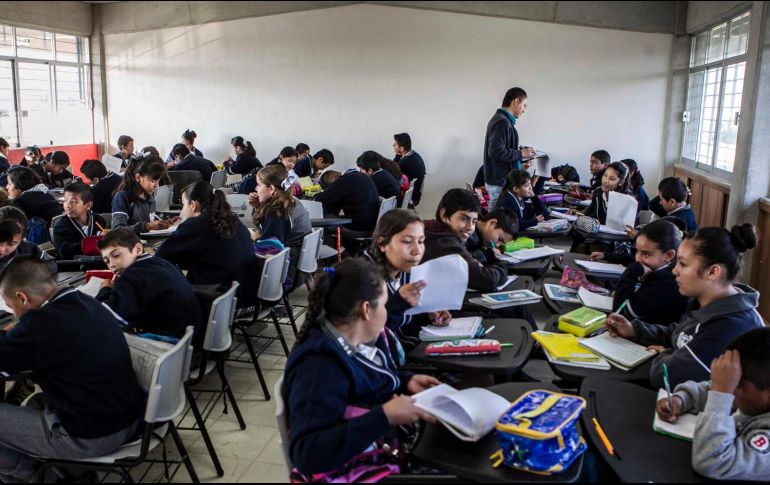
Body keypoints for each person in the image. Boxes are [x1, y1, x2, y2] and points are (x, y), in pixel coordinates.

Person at [284, 258, 439, 479]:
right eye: (385, 305)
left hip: (382, 447)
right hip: (360, 467)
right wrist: (384, 416)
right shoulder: (319, 366)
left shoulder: (350, 342)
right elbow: (307, 453)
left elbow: (364, 380)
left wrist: (407, 381)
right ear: (366, 310)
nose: (388, 312)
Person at [0, 256, 145, 483]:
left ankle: (41, 477)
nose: (14, 313)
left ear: (22, 297)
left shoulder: (39, 326)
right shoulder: (86, 302)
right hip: (131, 419)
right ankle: (70, 472)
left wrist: (16, 333)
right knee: (35, 402)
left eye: (11, 307)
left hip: (94, 436)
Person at [605, 224, 764, 389]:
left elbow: (665, 376)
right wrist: (634, 330)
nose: (674, 271)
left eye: (683, 264)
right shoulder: (704, 301)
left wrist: (669, 353)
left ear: (712, 272)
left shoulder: (730, 326)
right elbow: (679, 334)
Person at [656, 328, 770, 481]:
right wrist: (682, 399)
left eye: (737, 385)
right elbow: (714, 387)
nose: (731, 391)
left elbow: (712, 461)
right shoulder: (755, 396)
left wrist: (723, 394)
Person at [155, 181, 261, 308]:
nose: (181, 211)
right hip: (247, 298)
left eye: (183, 205)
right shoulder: (233, 220)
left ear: (193, 205)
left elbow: (160, 257)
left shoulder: (194, 225)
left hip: (220, 304)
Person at [364, 209, 451, 348]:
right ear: (382, 243)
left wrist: (427, 314)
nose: (417, 250)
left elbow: (405, 321)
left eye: (421, 241)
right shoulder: (365, 279)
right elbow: (367, 335)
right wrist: (398, 303)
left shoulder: (404, 269)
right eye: (407, 241)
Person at [96, 228, 201, 341]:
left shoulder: (135, 273)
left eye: (116, 255)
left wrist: (105, 289)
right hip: (186, 341)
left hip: (167, 344)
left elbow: (106, 318)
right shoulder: (160, 263)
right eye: (106, 261)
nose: (112, 265)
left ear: (138, 249)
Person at [422, 189, 508, 292]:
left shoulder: (434, 228)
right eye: (464, 219)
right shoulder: (445, 242)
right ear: (444, 215)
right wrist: (502, 266)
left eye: (474, 221)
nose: (470, 227)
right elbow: (488, 280)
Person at [611, 219, 689, 326]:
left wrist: (632, 270)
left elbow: (619, 316)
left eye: (646, 254)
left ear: (669, 255)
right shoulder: (667, 268)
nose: (638, 259)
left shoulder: (665, 279)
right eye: (637, 251)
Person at [249, 165, 312, 289]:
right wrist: (258, 207)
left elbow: (269, 252)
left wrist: (254, 238)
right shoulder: (291, 201)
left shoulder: (277, 212)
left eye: (259, 185)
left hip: (282, 276)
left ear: (271, 188)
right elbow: (270, 231)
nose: (256, 189)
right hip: (297, 268)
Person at [483, 87, 536, 209]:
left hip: (501, 179)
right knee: (499, 221)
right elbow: (496, 152)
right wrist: (521, 153)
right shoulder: (502, 122)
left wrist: (520, 163)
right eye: (524, 105)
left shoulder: (503, 120)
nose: (524, 110)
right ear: (516, 101)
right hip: (500, 182)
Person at [111, 154, 172, 235]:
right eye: (153, 181)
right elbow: (117, 231)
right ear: (138, 177)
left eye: (158, 181)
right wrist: (146, 226)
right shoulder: (122, 197)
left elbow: (151, 220)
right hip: (130, 245)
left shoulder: (149, 196)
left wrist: (166, 222)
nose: (157, 186)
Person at [52, 182, 107, 260]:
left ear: (88, 205)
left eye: (74, 202)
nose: (68, 205)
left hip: (98, 263)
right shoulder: (61, 226)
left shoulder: (98, 221)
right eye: (65, 200)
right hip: (74, 267)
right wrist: (92, 244)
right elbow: (63, 250)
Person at [314, 168, 380, 232]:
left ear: (333, 181)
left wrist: (317, 195)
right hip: (370, 224)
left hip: (357, 227)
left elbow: (320, 200)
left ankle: (329, 243)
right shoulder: (360, 175)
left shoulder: (344, 180)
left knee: (320, 224)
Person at [0, 207, 57, 274]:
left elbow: (51, 264)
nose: (2, 249)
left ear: (21, 239)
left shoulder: (27, 248)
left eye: (11, 244)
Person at [393, 133, 426, 207]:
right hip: (415, 193)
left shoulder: (404, 162)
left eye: (395, 144)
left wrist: (398, 155)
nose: (393, 145)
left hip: (410, 196)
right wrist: (398, 154)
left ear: (401, 148)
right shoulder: (414, 154)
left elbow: (392, 172)